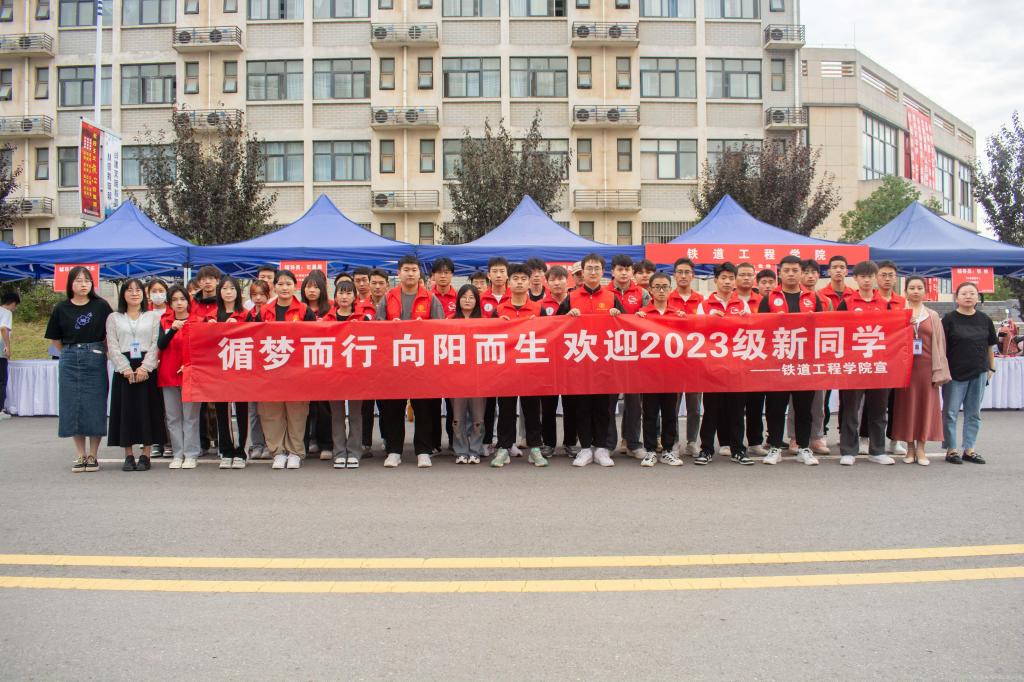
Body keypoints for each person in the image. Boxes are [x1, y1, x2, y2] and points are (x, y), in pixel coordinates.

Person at [376, 255, 445, 468]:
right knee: (393, 409)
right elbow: (377, 328)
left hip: (421, 364)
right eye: (406, 269)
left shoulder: (430, 298)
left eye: (414, 270)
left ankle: (423, 451)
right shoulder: (388, 298)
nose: (410, 273)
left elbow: (441, 329)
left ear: (419, 273)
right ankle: (394, 450)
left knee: (423, 408)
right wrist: (390, 327)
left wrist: (424, 328)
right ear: (399, 273)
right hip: (394, 363)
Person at [557, 253, 624, 467]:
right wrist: (568, 316)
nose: (593, 272)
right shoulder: (571, 298)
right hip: (580, 362)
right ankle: (585, 448)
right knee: (583, 407)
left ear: (603, 272)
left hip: (605, 363)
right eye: (589, 268)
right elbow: (555, 325)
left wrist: (618, 315)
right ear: (582, 272)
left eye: (597, 268)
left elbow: (627, 326)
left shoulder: (612, 298)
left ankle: (601, 448)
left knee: (603, 408)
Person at [45, 267, 113, 473]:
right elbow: (55, 339)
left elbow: (111, 334)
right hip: (69, 358)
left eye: (87, 280)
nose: (83, 284)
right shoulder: (61, 308)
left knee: (95, 404)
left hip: (95, 356)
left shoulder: (101, 306)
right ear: (70, 284)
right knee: (72, 405)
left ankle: (93, 454)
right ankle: (80, 454)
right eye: (79, 280)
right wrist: (69, 352)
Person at [758, 255, 823, 466]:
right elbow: (760, 329)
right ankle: (775, 447)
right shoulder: (769, 299)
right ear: (780, 273)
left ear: (801, 273)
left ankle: (804, 448)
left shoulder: (812, 298)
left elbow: (823, 328)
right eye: (786, 270)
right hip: (777, 362)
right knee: (776, 407)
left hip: (804, 362)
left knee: (804, 408)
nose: (791, 274)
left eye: (795, 270)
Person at [835, 260, 895, 466]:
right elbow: (837, 329)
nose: (867, 280)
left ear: (875, 278)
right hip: (854, 364)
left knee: (878, 409)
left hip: (879, 364)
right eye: (863, 277)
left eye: (870, 276)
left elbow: (893, 331)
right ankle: (848, 450)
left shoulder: (885, 303)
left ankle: (877, 450)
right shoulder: (847, 303)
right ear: (855, 279)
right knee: (850, 409)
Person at [695, 263, 754, 466]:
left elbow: (751, 332)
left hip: (737, 366)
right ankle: (706, 449)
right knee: (711, 410)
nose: (727, 282)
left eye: (731, 278)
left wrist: (746, 321)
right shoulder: (705, 305)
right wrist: (709, 320)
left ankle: (738, 449)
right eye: (723, 278)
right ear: (715, 280)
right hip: (713, 367)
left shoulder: (742, 305)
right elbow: (696, 331)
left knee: (737, 410)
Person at [490, 263, 548, 468]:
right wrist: (499, 325)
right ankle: (503, 448)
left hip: (531, 369)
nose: (520, 282)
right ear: (509, 282)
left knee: (532, 410)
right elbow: (490, 338)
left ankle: (535, 448)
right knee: (505, 410)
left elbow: (549, 335)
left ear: (530, 282)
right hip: (506, 370)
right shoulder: (499, 310)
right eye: (516, 279)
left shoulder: (538, 309)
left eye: (524, 279)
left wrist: (537, 325)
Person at [258, 270, 316, 470]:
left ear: (295, 286)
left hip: (297, 371)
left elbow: (313, 338)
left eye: (288, 284)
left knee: (297, 413)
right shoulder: (264, 311)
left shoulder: (304, 311)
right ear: (274, 287)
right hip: (270, 370)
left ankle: (295, 452)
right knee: (271, 413)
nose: (284, 288)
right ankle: (278, 452)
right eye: (280, 284)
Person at [891, 276, 951, 466]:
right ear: (905, 292)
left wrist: (939, 370)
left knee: (926, 406)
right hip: (905, 367)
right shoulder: (900, 313)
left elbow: (940, 344)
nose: (915, 291)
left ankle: (921, 448)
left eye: (919, 288)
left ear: (925, 291)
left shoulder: (932, 315)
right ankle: (909, 447)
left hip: (926, 367)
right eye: (912, 288)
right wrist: (905, 324)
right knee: (907, 407)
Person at [106, 279, 162, 472]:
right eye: (129, 290)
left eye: (138, 290)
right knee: (126, 412)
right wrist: (125, 368)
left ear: (143, 294)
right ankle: (128, 454)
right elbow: (112, 345)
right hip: (124, 368)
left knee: (148, 410)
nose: (134, 293)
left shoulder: (152, 316)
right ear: (123, 294)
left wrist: (145, 368)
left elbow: (156, 344)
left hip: (147, 367)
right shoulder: (114, 317)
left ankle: (146, 454)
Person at [941, 282, 997, 465]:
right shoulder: (949, 319)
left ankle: (969, 449)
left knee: (974, 413)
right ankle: (951, 449)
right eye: (964, 293)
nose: (968, 296)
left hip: (979, 371)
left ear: (977, 297)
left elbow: (990, 345)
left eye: (972, 293)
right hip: (954, 373)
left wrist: (992, 367)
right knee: (950, 412)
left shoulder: (985, 319)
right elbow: (941, 347)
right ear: (956, 298)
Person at [634, 272, 685, 467]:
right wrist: (637, 319)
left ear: (670, 289)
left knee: (670, 413)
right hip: (650, 373)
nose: (661, 290)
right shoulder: (643, 314)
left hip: (672, 373)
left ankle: (668, 450)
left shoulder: (677, 314)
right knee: (650, 413)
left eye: (665, 287)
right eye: (657, 287)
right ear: (650, 289)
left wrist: (685, 320)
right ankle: (649, 450)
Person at [606, 254, 650, 458]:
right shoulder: (604, 293)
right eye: (619, 269)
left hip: (635, 354)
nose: (624, 273)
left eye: (627, 269)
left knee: (634, 402)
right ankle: (608, 444)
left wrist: (642, 317)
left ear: (632, 272)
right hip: (609, 353)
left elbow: (651, 319)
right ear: (612, 271)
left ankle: (633, 443)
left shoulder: (643, 294)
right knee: (609, 401)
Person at [157, 285, 202, 469]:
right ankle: (177, 453)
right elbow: (161, 344)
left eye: (182, 299)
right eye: (174, 300)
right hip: (168, 373)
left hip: (191, 374)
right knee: (173, 417)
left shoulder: (198, 320)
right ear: (170, 303)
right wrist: (172, 330)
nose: (179, 303)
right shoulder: (164, 321)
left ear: (188, 301)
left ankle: (191, 454)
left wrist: (190, 364)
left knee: (191, 416)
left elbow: (202, 348)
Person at [327, 279, 367, 469]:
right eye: (341, 293)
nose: (344, 297)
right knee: (337, 415)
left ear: (354, 297)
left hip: (356, 374)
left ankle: (354, 451)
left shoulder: (363, 319)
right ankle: (339, 451)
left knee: (355, 415)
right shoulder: (327, 320)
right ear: (335, 296)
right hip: (333, 374)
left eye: (348, 293)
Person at [211, 275, 250, 468]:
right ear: (219, 292)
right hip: (219, 370)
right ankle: (226, 450)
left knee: (242, 410)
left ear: (238, 292)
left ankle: (241, 451)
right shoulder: (211, 316)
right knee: (222, 411)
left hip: (241, 368)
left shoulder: (246, 315)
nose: (228, 292)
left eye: (232, 288)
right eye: (225, 288)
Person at [668, 257, 704, 455]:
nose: (683, 276)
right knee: (672, 405)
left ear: (693, 275)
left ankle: (692, 441)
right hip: (673, 360)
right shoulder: (667, 298)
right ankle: (673, 441)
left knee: (694, 405)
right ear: (674, 275)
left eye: (687, 272)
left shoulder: (701, 300)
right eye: (679, 272)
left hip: (694, 360)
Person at [539, 265, 576, 455]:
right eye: (552, 280)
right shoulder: (540, 305)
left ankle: (570, 442)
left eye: (560, 279)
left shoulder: (575, 301)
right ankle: (548, 443)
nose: (557, 283)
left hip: (571, 360)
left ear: (567, 280)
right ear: (547, 283)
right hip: (548, 362)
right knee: (548, 406)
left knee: (571, 406)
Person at [298, 270, 334, 460]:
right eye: (308, 287)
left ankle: (326, 443)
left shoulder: (331, 308)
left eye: (316, 287)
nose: (312, 291)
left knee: (323, 406)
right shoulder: (298, 309)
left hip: (325, 363)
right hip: (303, 364)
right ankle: (305, 442)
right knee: (305, 406)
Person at [450, 284, 486, 464]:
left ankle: (475, 450)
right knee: (458, 417)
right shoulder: (449, 321)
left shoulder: (485, 321)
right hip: (456, 377)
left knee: (478, 417)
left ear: (477, 301)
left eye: (472, 297)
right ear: (458, 300)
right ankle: (460, 450)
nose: (467, 300)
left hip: (479, 377)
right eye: (464, 297)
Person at [875, 259, 907, 456]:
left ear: (896, 279)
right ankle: (867, 437)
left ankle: (894, 439)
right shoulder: (871, 300)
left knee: (896, 402)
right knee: (874, 402)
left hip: (896, 359)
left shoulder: (902, 302)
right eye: (883, 275)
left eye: (890, 276)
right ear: (876, 277)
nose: (887, 279)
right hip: (874, 357)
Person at [479, 257, 510, 450]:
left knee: (507, 404)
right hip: (487, 356)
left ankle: (507, 442)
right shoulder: (480, 298)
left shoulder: (516, 296)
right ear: (488, 275)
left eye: (502, 271)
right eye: (495, 271)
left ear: (507, 275)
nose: (498, 275)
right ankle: (486, 440)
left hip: (510, 358)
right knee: (488, 404)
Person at [736, 264, 766, 455]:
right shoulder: (730, 300)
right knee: (735, 404)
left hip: (756, 358)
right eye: (742, 275)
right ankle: (731, 442)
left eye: (749, 275)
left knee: (756, 402)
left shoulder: (763, 300)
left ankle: (755, 441)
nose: (746, 278)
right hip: (734, 359)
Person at [192, 265, 221, 455]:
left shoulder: (224, 301)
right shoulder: (192, 303)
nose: (207, 282)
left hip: (220, 356)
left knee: (219, 402)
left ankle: (219, 440)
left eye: (211, 278)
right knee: (200, 402)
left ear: (217, 281)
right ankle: (202, 442)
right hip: (198, 357)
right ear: (199, 282)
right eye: (203, 279)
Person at [361, 268, 391, 453]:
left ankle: (388, 438)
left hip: (386, 362)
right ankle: (365, 442)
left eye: (381, 283)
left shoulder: (392, 304)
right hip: (365, 362)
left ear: (387, 285)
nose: (377, 287)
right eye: (374, 283)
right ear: (369, 284)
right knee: (365, 405)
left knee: (386, 405)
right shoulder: (360, 306)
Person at [429, 257, 457, 453]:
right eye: (439, 272)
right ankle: (433, 443)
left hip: (454, 355)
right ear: (433, 275)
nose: (443, 276)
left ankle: (455, 441)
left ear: (452, 275)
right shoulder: (427, 297)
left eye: (447, 272)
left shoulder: (460, 296)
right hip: (431, 356)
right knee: (432, 402)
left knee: (454, 403)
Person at [244, 279, 271, 459]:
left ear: (268, 295)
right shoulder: (248, 315)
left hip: (269, 366)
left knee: (268, 410)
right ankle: (256, 444)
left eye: (262, 294)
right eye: (254, 295)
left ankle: (269, 444)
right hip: (252, 369)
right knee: (253, 411)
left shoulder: (272, 313)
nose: (258, 298)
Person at [0, 291, 20, 420]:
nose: (15, 308)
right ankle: (0, 410)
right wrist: (7, 347)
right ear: (12, 303)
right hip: (0, 348)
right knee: (1, 380)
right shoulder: (6, 313)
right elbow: (3, 329)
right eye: (15, 305)